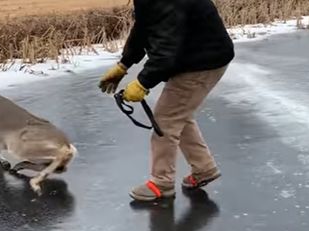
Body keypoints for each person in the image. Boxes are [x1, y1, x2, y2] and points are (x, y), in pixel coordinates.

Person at [99, 0, 235, 202]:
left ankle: (162, 183)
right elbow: (143, 27)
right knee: (178, 114)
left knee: (165, 120)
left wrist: (142, 83)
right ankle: (204, 168)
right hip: (196, 57)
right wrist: (124, 64)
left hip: (203, 62)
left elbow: (166, 51)